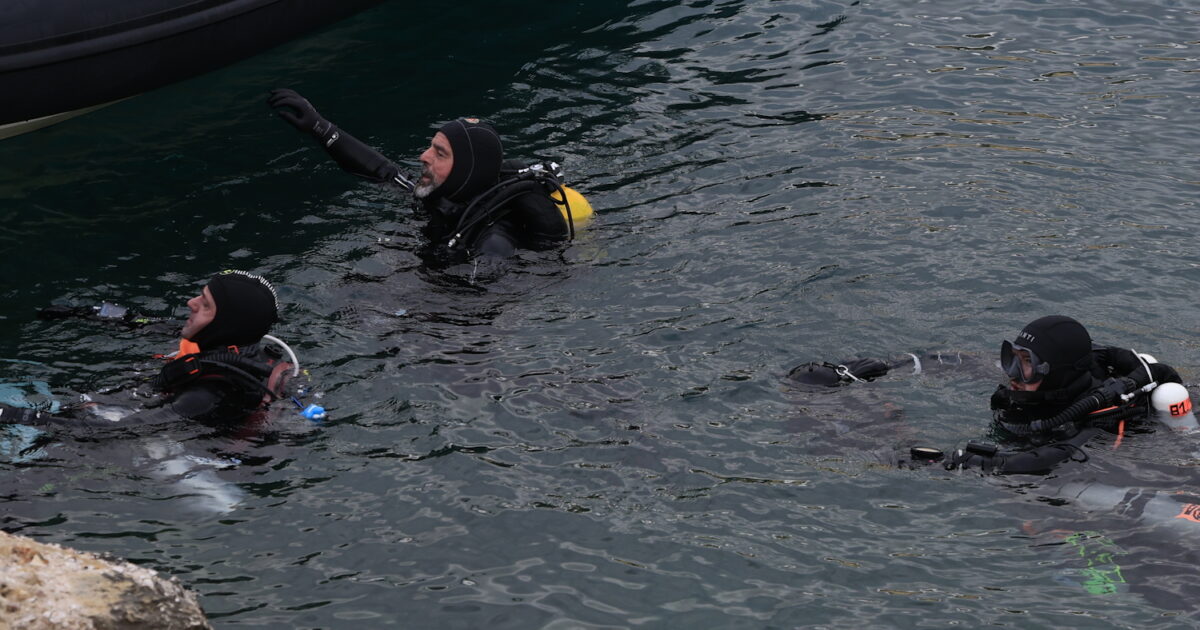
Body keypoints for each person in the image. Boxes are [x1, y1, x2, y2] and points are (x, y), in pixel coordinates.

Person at [788, 315, 1185, 474]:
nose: (1013, 374)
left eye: (1026, 365)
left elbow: (1039, 461)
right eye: (1012, 358)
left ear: (1058, 373)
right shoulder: (1033, 387)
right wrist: (890, 365)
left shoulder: (1094, 422)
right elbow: (961, 362)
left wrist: (915, 455)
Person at [267, 88, 583, 261]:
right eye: (431, 146)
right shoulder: (443, 195)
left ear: (466, 170)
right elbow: (382, 171)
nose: (423, 156)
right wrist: (321, 128)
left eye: (439, 153)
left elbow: (480, 320)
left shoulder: (493, 243)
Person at [0, 270, 306, 431]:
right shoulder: (218, 341)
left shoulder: (213, 390)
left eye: (205, 304)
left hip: (172, 444)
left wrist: (21, 416)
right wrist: (85, 312)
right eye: (200, 296)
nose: (191, 303)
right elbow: (142, 322)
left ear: (225, 323)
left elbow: (126, 430)